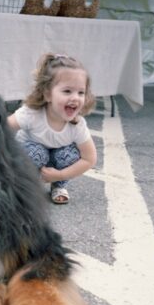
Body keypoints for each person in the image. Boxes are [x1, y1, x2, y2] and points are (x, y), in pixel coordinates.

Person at [8, 53, 97, 204]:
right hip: (30, 157)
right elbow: (1, 130)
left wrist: (60, 175)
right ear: (48, 94)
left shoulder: (77, 124)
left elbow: (90, 159)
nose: (75, 97)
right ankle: (26, 185)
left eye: (81, 92)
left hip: (56, 163)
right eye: (67, 91)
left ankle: (59, 186)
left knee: (70, 154)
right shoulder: (32, 114)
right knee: (36, 152)